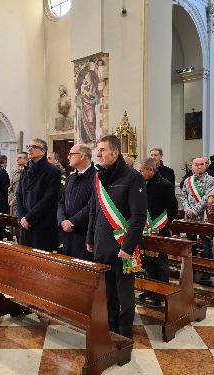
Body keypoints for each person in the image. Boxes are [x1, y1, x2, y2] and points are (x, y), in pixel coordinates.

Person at [86, 135, 147, 339]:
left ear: (115, 152)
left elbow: (139, 216)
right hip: (103, 244)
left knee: (124, 294)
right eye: (98, 150)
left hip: (123, 247)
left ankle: (124, 332)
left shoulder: (132, 177)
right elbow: (94, 212)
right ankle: (111, 327)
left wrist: (128, 247)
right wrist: (90, 239)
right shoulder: (98, 177)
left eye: (103, 150)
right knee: (108, 292)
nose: (98, 153)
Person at [138, 157, 177, 301]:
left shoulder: (165, 185)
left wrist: (164, 224)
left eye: (142, 170)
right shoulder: (142, 183)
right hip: (146, 228)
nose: (139, 172)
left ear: (150, 170)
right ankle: (150, 289)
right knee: (148, 260)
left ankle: (161, 293)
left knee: (160, 262)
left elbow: (173, 208)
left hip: (160, 229)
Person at [16, 138, 61, 251]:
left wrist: (29, 218)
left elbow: (48, 199)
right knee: (25, 260)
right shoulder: (25, 171)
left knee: (41, 262)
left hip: (42, 224)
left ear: (43, 151)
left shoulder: (52, 171)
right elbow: (19, 195)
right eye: (29, 147)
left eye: (34, 147)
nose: (30, 149)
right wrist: (22, 217)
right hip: (25, 224)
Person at [57, 144, 95, 260]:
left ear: (83, 156)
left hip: (84, 234)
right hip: (67, 233)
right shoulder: (70, 178)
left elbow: (92, 205)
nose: (68, 157)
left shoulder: (96, 177)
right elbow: (61, 202)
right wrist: (62, 221)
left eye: (71, 154)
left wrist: (72, 222)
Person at [181, 157, 214, 259]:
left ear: (205, 166)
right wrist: (187, 209)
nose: (199, 167)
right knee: (190, 244)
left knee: (206, 245)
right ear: (192, 167)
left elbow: (207, 198)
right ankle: (190, 268)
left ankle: (206, 271)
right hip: (189, 216)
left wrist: (194, 211)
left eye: (201, 164)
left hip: (204, 216)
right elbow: (183, 197)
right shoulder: (188, 180)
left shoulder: (211, 180)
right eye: (196, 165)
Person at [8, 152, 28, 239]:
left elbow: (24, 190)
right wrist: (10, 200)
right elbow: (10, 188)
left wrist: (15, 199)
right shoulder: (15, 172)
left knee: (21, 229)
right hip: (13, 204)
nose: (17, 159)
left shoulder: (27, 172)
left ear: (26, 159)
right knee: (14, 229)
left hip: (21, 203)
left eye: (20, 157)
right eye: (17, 157)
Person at [0, 155, 10, 240]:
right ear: (4, 161)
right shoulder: (2, 171)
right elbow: (6, 185)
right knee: (1, 224)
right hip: (1, 200)